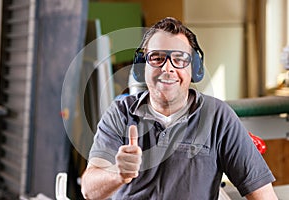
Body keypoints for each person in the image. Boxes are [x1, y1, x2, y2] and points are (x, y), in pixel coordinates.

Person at [81, 17, 277, 200]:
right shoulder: (120, 113)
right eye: (156, 58)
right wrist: (118, 173)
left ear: (195, 68)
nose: (167, 68)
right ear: (142, 67)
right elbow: (89, 190)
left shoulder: (218, 116)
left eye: (180, 59)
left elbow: (263, 195)